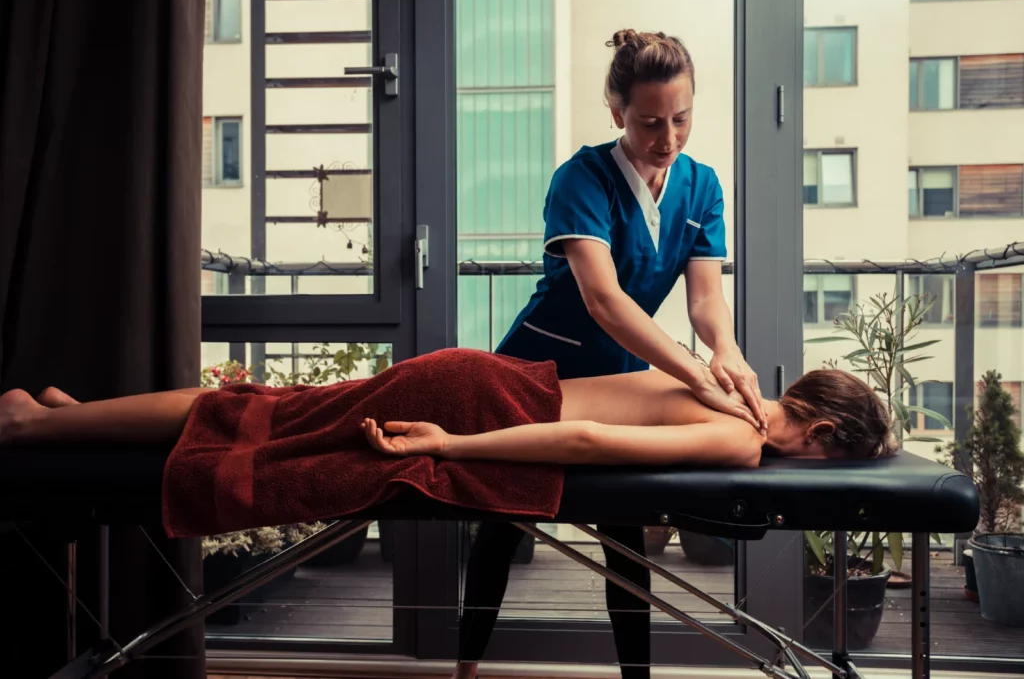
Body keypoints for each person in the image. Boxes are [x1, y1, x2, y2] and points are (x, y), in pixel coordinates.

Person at [457, 28, 764, 679]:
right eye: (651, 121)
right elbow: (604, 300)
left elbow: (705, 300)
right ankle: (464, 667)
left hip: (620, 371)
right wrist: (692, 372)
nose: (669, 137)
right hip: (536, 367)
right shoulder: (582, 177)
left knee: (626, 538)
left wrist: (727, 351)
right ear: (616, 111)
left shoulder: (701, 187)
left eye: (682, 118)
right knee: (502, 527)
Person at [0, 349, 896, 466]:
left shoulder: (725, 382)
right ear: (817, 431)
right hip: (482, 399)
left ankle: (69, 411)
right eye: (830, 458)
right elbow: (584, 436)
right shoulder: (741, 437)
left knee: (270, 405)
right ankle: (39, 423)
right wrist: (460, 443)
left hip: (487, 374)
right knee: (260, 419)